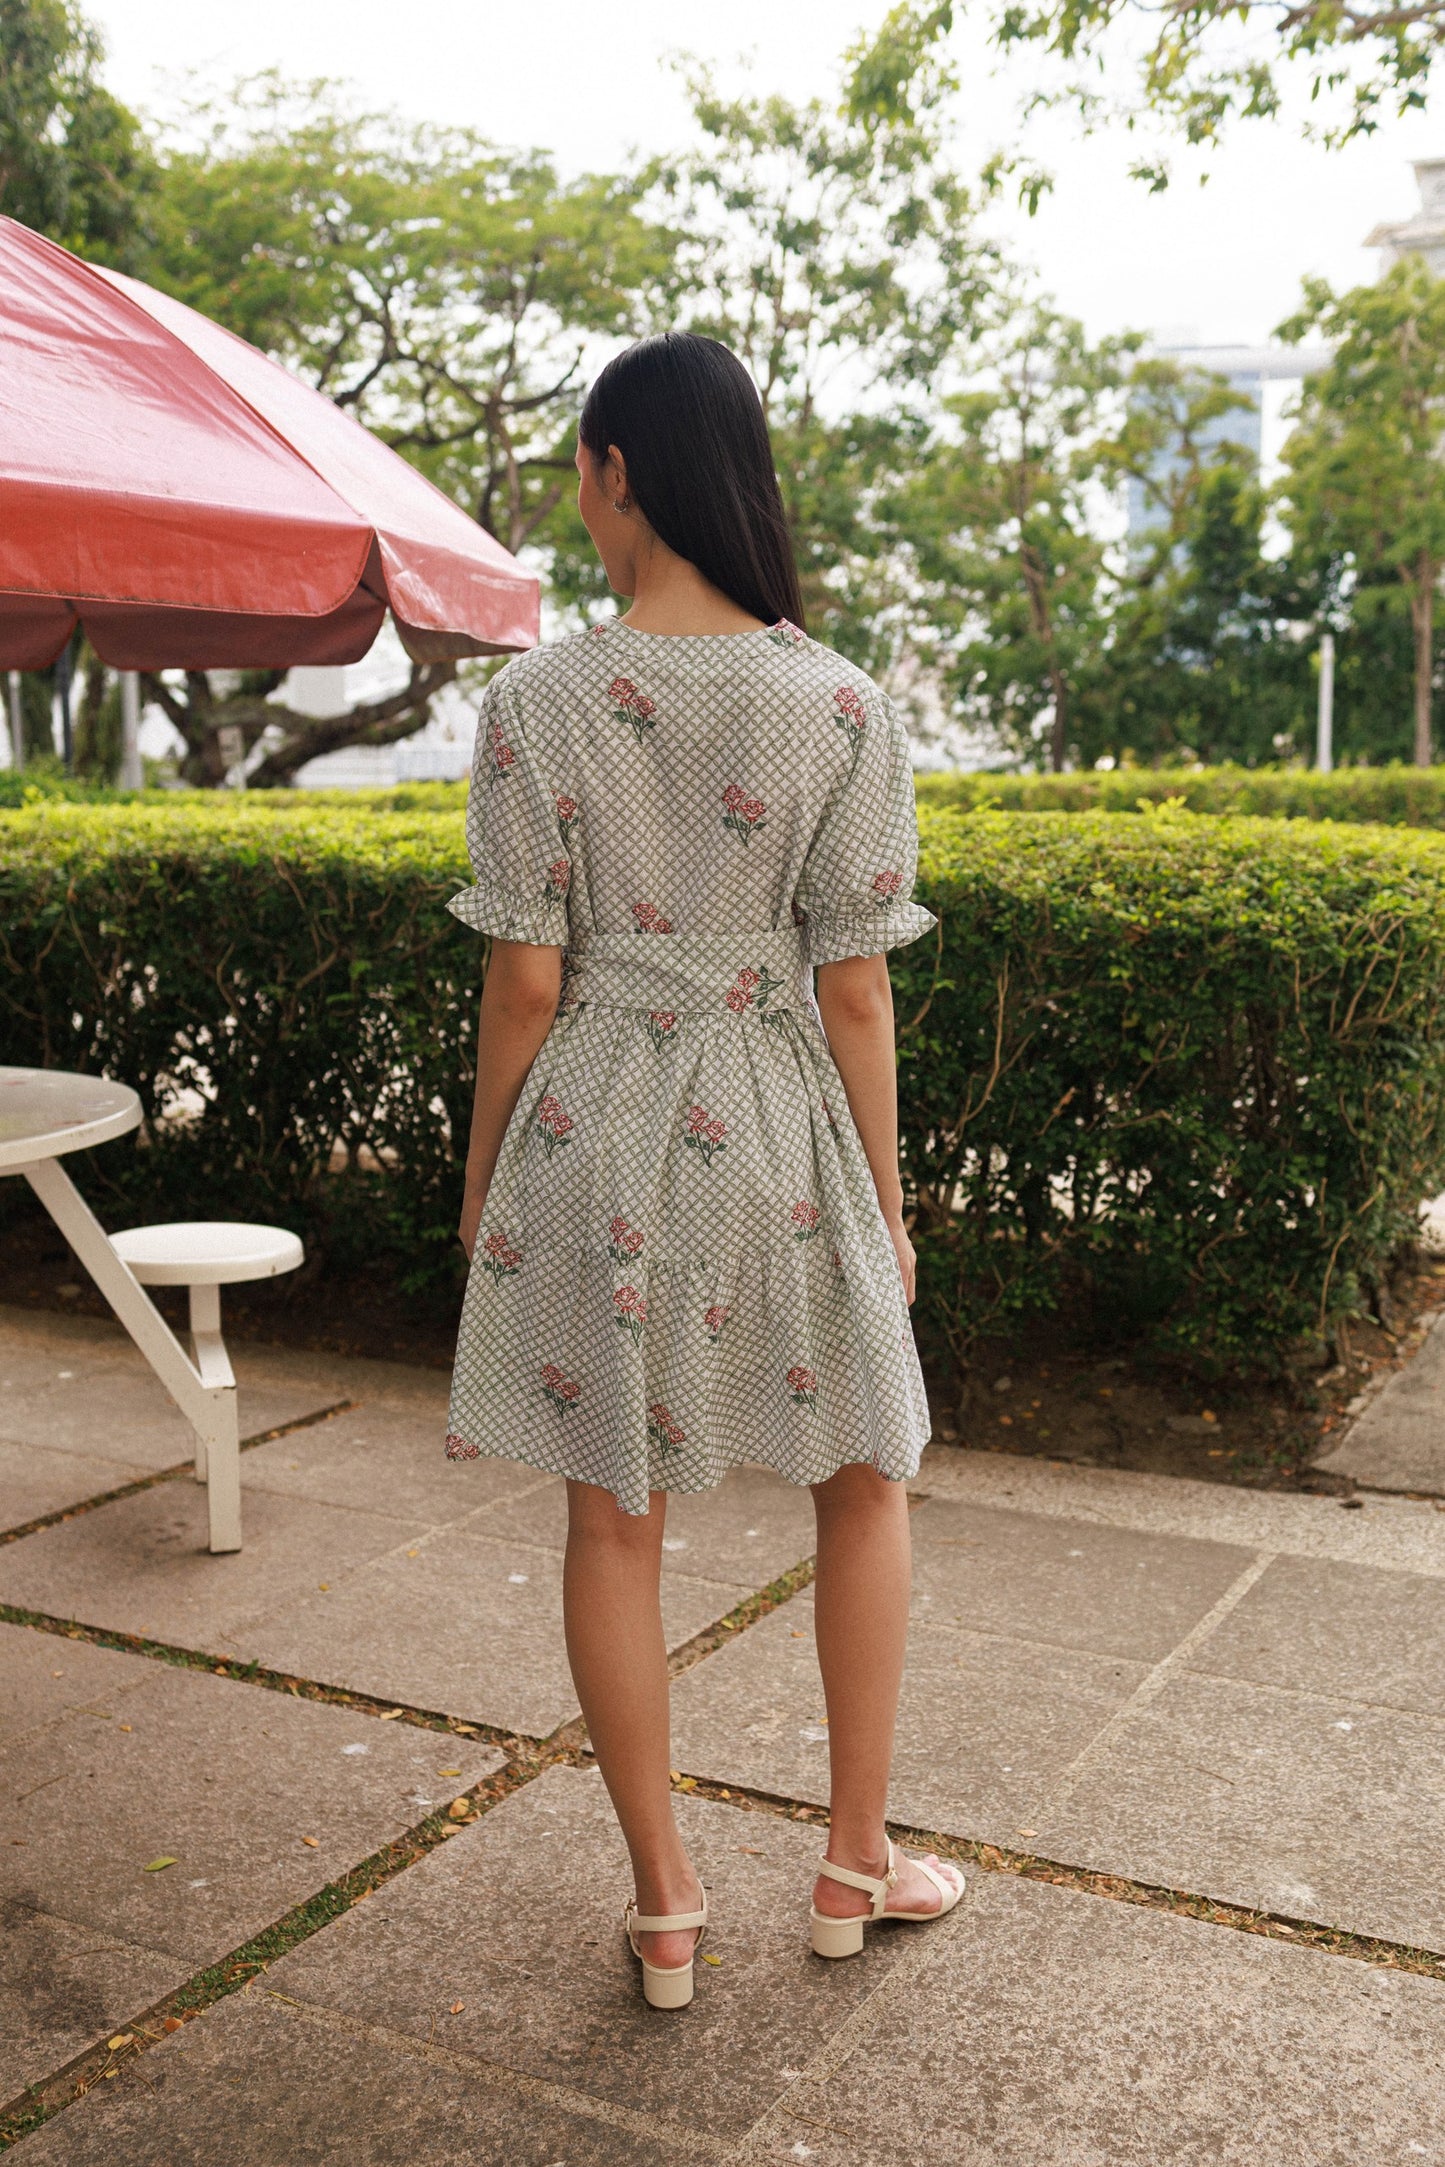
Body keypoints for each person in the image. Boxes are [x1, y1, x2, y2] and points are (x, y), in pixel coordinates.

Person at [446, 330, 963, 2010]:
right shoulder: (839, 702)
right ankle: (848, 1864)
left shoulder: (533, 703)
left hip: (597, 1126)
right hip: (784, 1122)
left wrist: (481, 1191)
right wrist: (882, 1208)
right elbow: (858, 988)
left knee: (614, 1511)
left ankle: (666, 1904)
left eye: (581, 476)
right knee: (864, 1477)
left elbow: (524, 980)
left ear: (616, 473)